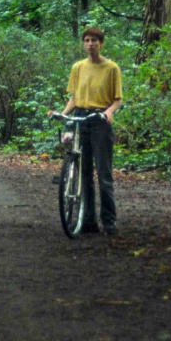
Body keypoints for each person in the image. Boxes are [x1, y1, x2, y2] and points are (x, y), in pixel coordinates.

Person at [58, 26, 122, 235]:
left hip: (99, 120)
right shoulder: (78, 67)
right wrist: (62, 114)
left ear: (101, 43)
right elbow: (74, 97)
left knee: (104, 174)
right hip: (81, 118)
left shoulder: (111, 68)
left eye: (94, 40)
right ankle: (88, 221)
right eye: (86, 40)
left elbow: (118, 99)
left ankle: (109, 222)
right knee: (83, 172)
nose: (90, 44)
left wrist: (109, 112)